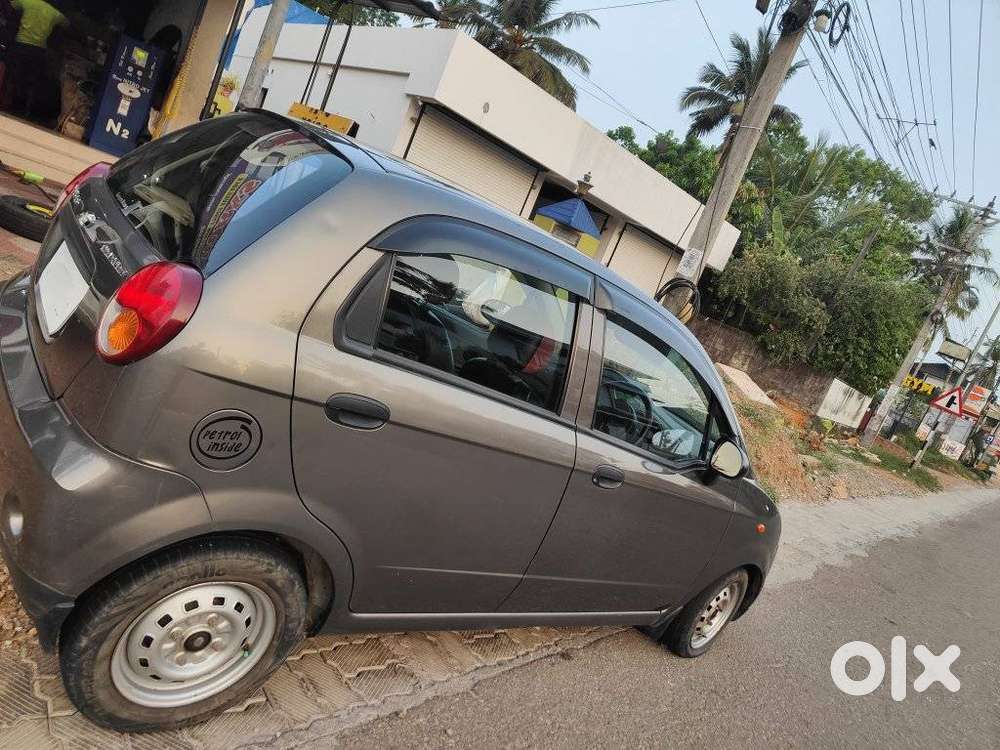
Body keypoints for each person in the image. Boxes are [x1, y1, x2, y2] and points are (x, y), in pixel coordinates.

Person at [0, 0, 68, 125]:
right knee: (30, 81)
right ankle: (24, 110)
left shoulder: (28, 2)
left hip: (21, 45)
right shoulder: (53, 12)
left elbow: (10, 5)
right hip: (38, 50)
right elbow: (66, 23)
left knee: (15, 77)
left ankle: (10, 105)